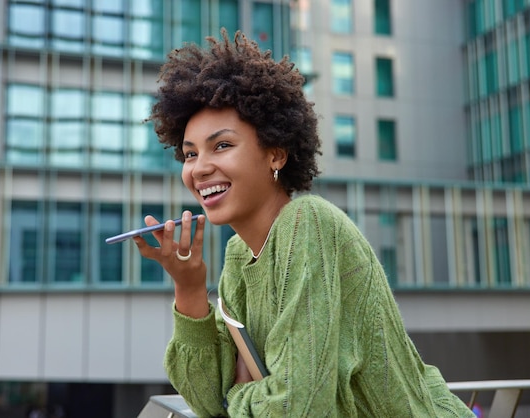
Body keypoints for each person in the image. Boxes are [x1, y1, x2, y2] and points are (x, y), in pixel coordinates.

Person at [133, 29, 474, 417]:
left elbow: (297, 406)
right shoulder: (239, 253)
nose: (200, 168)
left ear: (276, 155)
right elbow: (207, 400)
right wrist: (189, 288)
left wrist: (238, 398)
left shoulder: (307, 223)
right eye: (190, 154)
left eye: (222, 145)